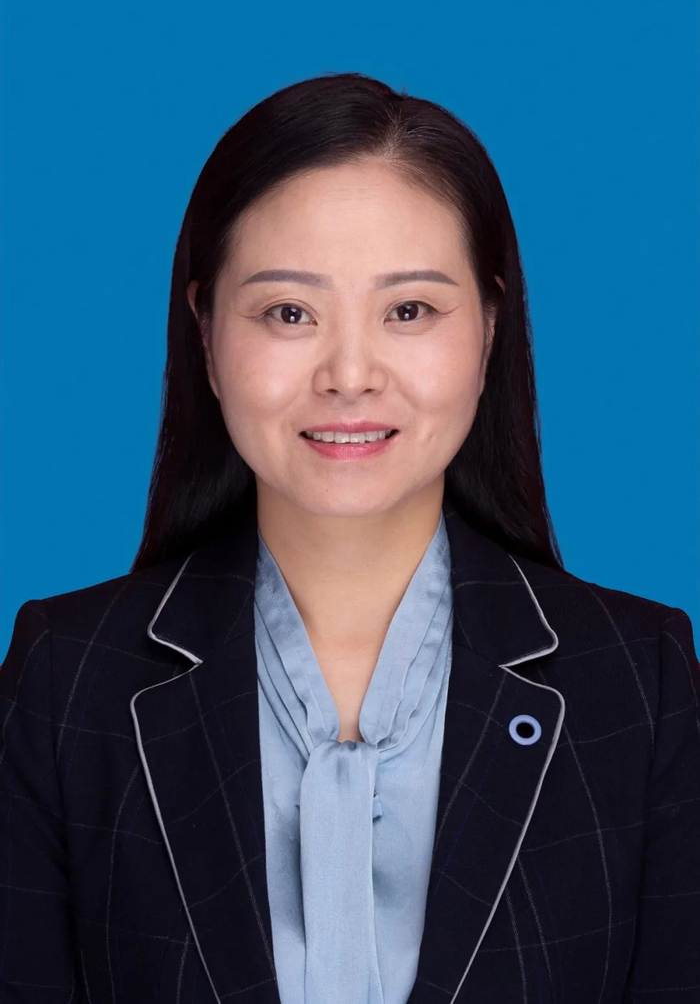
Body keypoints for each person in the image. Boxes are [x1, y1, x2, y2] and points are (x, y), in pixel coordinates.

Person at [0, 72, 698, 1004]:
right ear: (206, 332)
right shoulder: (66, 683)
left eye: (409, 310)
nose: (350, 374)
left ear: (490, 328)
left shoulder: (640, 686)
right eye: (289, 313)